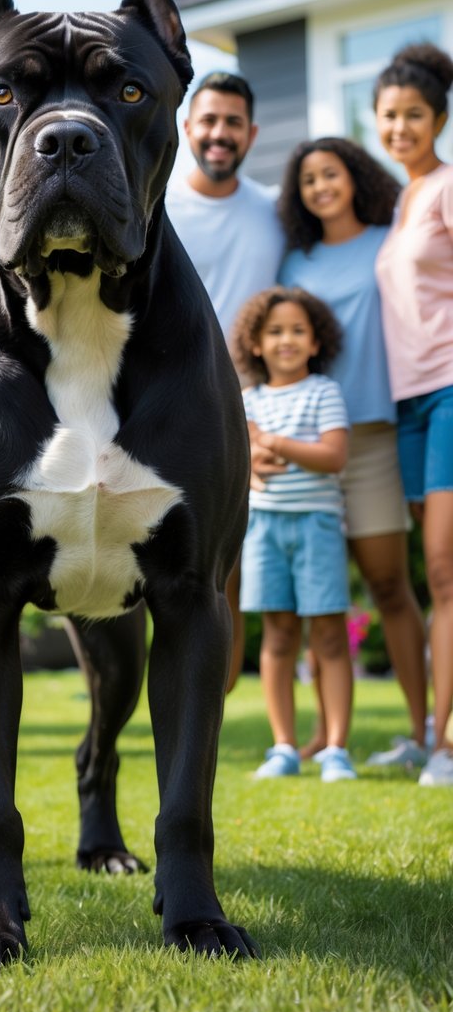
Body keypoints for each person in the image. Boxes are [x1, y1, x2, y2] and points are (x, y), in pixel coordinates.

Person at [277, 138, 428, 767]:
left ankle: (425, 733)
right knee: (319, 599)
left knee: (390, 584)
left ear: (354, 177)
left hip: (372, 432)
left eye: (330, 175)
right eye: (309, 179)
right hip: (306, 442)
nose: (321, 188)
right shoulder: (294, 264)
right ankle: (322, 735)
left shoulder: (386, 240)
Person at [167, 71, 286, 688]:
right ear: (187, 127)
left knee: (221, 568)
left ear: (252, 133)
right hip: (158, 406)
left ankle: (214, 693)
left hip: (249, 413)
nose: (219, 134)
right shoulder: (153, 203)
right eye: (208, 120)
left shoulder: (273, 212)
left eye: (232, 122)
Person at [231, 286, 356, 783]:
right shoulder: (246, 400)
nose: (287, 340)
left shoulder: (325, 393)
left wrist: (274, 442)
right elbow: (245, 462)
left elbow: (334, 456)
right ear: (256, 343)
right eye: (275, 331)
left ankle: (336, 750)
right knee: (278, 637)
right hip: (263, 529)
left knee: (328, 636)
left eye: (298, 331)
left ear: (316, 340)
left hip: (318, 527)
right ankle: (283, 746)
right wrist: (257, 451)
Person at [373, 43, 453, 788]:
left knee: (443, 570)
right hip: (408, 402)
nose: (401, 127)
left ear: (439, 120)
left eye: (415, 116)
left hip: (452, 391)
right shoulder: (401, 201)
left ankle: (446, 747)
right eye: (390, 115)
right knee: (422, 580)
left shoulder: (447, 188)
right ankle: (424, 729)